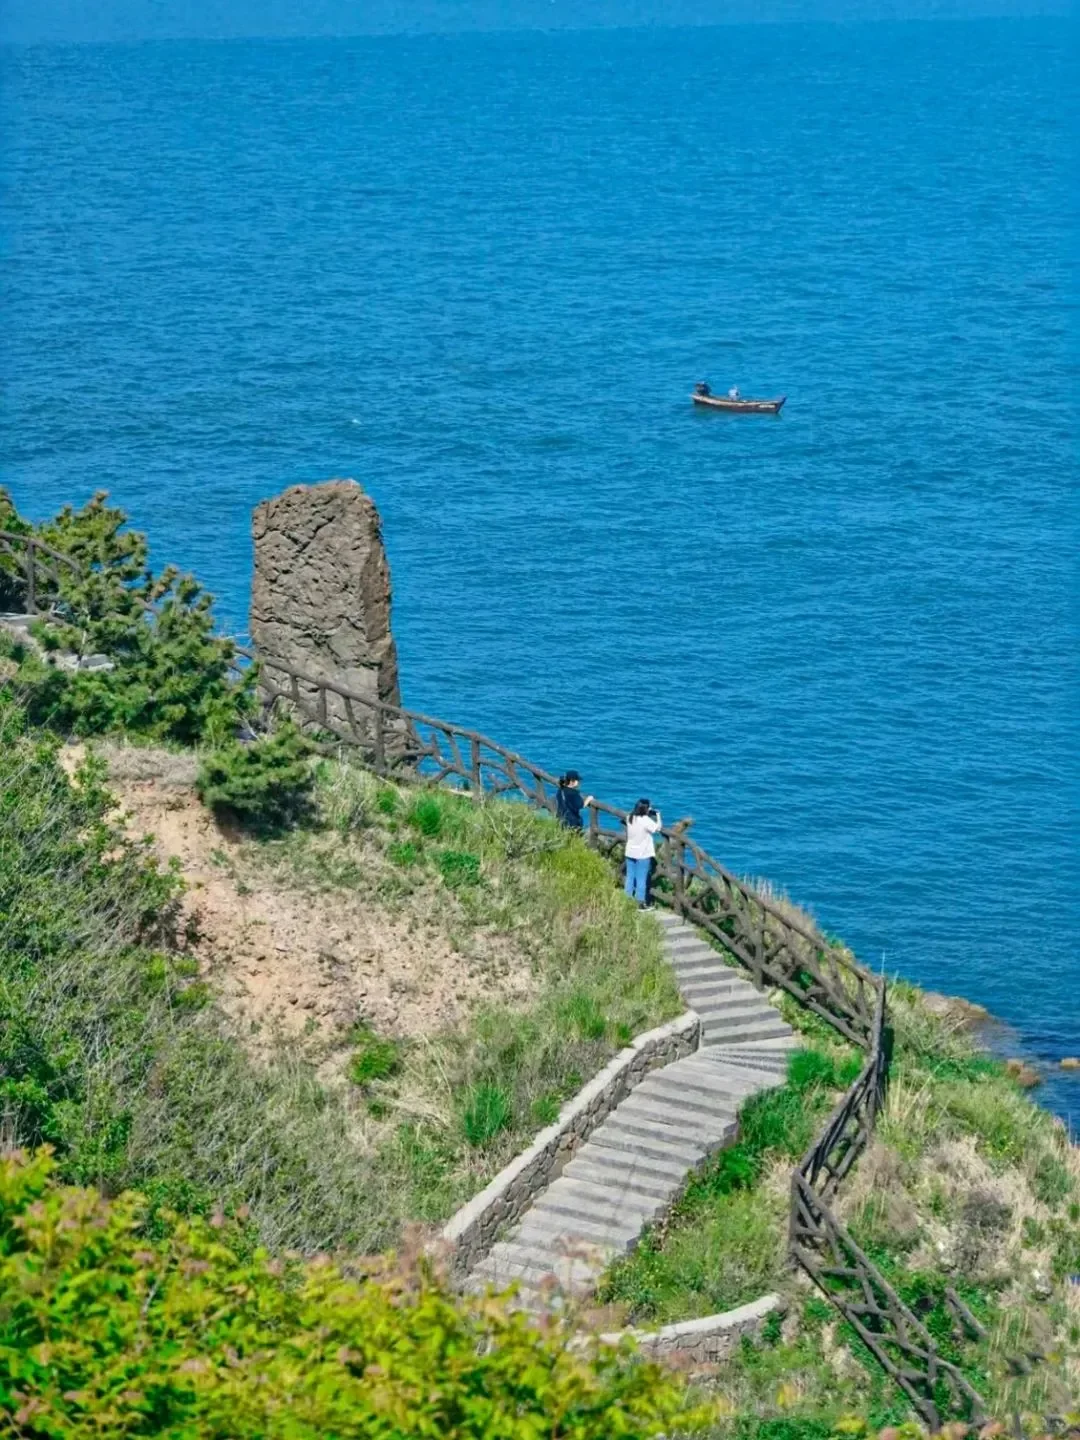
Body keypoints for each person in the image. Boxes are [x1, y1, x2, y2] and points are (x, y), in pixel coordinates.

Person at [624, 798, 661, 908]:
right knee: (641, 879)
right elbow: (657, 828)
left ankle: (627, 899)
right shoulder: (646, 820)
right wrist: (658, 815)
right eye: (649, 807)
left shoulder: (629, 817)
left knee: (630, 877)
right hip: (642, 854)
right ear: (645, 809)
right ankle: (640, 904)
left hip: (630, 852)